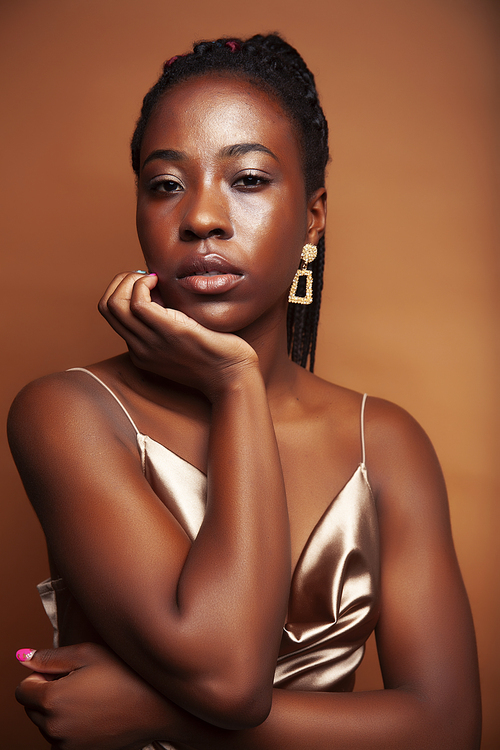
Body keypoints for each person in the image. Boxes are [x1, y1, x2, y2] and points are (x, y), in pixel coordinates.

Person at [8, 33, 481, 750]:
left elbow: (448, 729)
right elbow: (226, 673)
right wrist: (236, 385)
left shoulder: (383, 443)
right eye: (166, 184)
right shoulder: (67, 414)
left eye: (248, 180)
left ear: (314, 216)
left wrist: (159, 715)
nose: (201, 218)